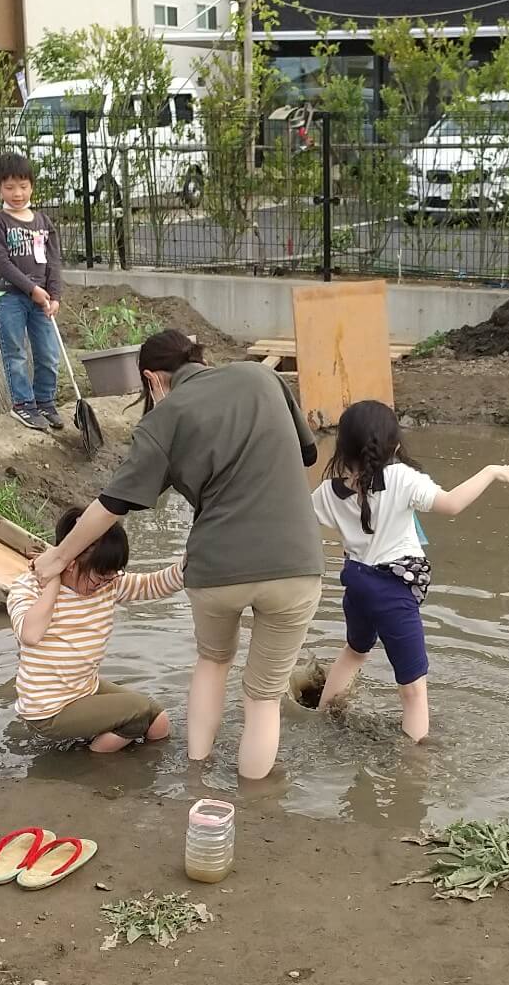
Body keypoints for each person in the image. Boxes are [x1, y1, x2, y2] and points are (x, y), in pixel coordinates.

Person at [33, 331, 320, 781]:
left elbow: (113, 503)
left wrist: (56, 558)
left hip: (216, 568)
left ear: (152, 379)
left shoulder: (165, 419)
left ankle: (195, 777)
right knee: (263, 698)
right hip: (297, 564)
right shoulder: (264, 378)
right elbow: (307, 453)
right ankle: (253, 806)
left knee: (213, 662)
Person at [310, 400, 509, 741]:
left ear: (342, 446)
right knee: (413, 689)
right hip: (393, 589)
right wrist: (491, 471)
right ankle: (415, 767)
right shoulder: (401, 478)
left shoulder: (327, 492)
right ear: (394, 444)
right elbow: (452, 504)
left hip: (356, 582)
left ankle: (322, 725)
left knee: (354, 652)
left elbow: (296, 524)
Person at [8, 508, 186, 752]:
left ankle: (147, 774)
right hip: (49, 710)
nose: (107, 582)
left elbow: (154, 585)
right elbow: (30, 635)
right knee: (138, 711)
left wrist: (190, 562)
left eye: (114, 575)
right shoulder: (28, 588)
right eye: (101, 576)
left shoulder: (108, 584)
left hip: (84, 689)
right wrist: (53, 582)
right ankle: (90, 774)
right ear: (70, 563)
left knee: (158, 720)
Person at [0, 153, 65, 432]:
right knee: (16, 352)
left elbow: (53, 261)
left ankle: (45, 400)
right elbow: (2, 263)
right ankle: (23, 404)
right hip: (10, 298)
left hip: (42, 299)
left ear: (31, 186)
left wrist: (54, 296)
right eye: (9, 187)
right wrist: (31, 288)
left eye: (22, 186)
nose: (16, 193)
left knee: (48, 353)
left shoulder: (43, 222)